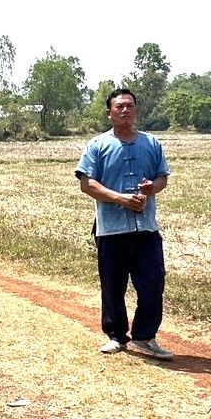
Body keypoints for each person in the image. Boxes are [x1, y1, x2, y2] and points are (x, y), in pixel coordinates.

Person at [76, 87, 175, 359]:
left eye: (129, 106)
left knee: (153, 283)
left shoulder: (152, 143)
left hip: (146, 228)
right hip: (111, 229)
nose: (124, 110)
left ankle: (145, 337)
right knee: (113, 285)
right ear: (109, 113)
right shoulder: (97, 146)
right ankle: (116, 336)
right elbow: (87, 184)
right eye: (119, 106)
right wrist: (120, 198)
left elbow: (162, 178)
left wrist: (151, 188)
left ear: (136, 111)